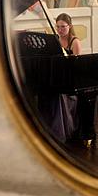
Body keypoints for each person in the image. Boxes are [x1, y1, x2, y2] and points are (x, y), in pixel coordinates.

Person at [38, 13, 81, 143]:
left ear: (70, 26)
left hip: (71, 80)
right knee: (45, 92)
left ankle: (59, 133)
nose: (60, 30)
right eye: (57, 27)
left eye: (63, 27)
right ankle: (45, 130)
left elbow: (76, 67)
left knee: (59, 95)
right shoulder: (54, 40)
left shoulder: (75, 42)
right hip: (58, 78)